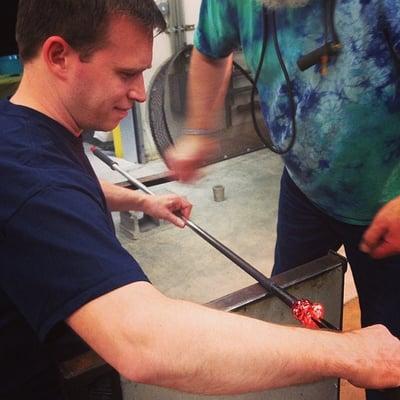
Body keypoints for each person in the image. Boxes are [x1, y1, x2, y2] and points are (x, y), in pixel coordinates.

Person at [1, 1, 400, 399]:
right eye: (126, 74)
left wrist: (141, 202)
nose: (141, 93)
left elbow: (65, 191)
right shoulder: (33, 179)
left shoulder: (25, 130)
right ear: (58, 56)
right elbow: (144, 342)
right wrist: (352, 352)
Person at [165, 1, 400, 399]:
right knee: (289, 320)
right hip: (304, 190)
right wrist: (199, 130)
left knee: (389, 356)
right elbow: (210, 51)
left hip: (388, 205)